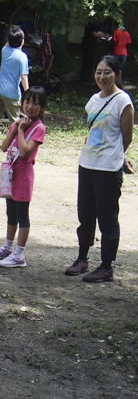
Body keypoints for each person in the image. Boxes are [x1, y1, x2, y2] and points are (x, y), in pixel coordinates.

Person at [65, 55, 134, 283]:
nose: (102, 76)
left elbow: (127, 137)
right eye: (98, 72)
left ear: (117, 75)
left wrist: (117, 157)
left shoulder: (122, 101)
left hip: (108, 169)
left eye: (107, 72)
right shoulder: (94, 100)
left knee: (107, 219)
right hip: (87, 164)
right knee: (85, 215)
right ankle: (82, 259)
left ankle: (106, 267)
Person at [0, 86, 46, 268]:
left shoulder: (38, 128)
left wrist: (21, 131)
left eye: (35, 103)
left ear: (42, 107)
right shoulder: (17, 124)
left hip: (24, 177)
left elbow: (26, 151)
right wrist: (15, 129)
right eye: (27, 102)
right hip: (10, 175)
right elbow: (4, 147)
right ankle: (8, 246)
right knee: (10, 212)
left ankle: (19, 254)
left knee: (22, 215)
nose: (30, 106)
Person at [80, 18, 110, 84]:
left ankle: (84, 78)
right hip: (88, 45)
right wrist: (104, 35)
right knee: (88, 62)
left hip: (88, 45)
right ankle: (85, 79)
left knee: (87, 61)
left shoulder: (91, 22)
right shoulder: (93, 22)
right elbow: (95, 33)